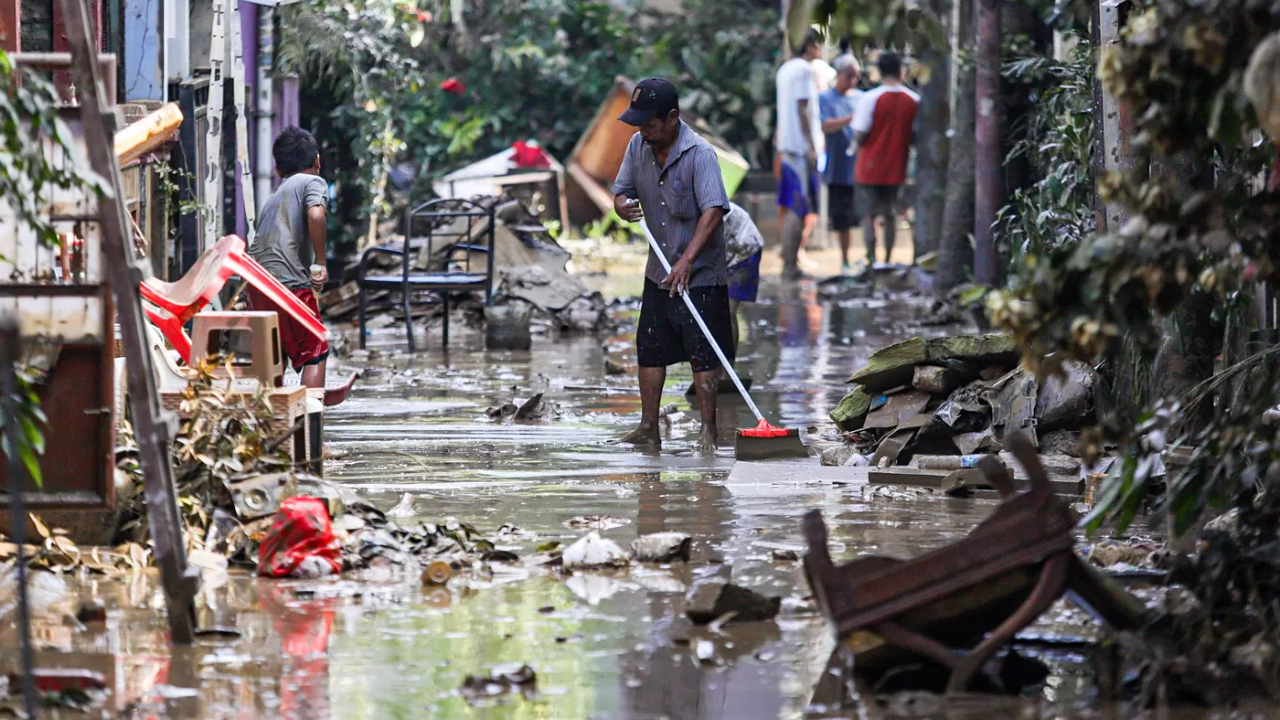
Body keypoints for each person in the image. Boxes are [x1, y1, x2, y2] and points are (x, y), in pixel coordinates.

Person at [612, 77, 732, 452]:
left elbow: (713, 211)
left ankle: (708, 431)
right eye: (639, 125)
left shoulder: (700, 154)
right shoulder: (637, 146)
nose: (643, 132)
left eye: (650, 124)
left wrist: (687, 262)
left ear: (672, 118)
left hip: (701, 275)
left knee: (703, 354)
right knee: (649, 347)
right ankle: (649, 427)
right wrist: (620, 205)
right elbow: (621, 191)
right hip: (658, 271)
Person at [246, 126, 330, 389]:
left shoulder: (275, 197)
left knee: (275, 351)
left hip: (256, 283)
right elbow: (316, 215)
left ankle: (271, 416)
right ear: (317, 160)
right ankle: (310, 417)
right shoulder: (313, 182)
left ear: (278, 170)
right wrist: (322, 262)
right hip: (289, 284)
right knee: (316, 346)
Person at [853, 51, 919, 266]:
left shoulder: (869, 98)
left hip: (869, 165)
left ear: (879, 72)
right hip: (897, 165)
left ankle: (871, 260)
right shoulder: (913, 100)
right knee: (891, 213)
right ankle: (889, 260)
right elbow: (916, 136)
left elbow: (860, 134)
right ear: (901, 71)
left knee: (869, 215)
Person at [775, 28, 824, 279]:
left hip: (787, 145)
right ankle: (790, 265)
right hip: (799, 148)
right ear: (810, 46)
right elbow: (803, 107)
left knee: (792, 205)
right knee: (797, 206)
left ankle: (790, 262)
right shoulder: (804, 70)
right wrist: (811, 145)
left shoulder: (785, 70)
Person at [819, 54, 863, 272]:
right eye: (849, 76)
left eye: (856, 77)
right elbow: (825, 126)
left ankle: (870, 258)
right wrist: (851, 119)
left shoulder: (861, 98)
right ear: (839, 75)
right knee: (842, 220)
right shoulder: (825, 99)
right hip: (838, 169)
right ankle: (844, 261)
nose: (853, 81)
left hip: (861, 169)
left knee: (865, 215)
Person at [723, 201, 765, 362]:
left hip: (744, 248)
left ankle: (727, 366)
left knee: (728, 309)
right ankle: (715, 366)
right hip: (727, 248)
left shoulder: (709, 203)